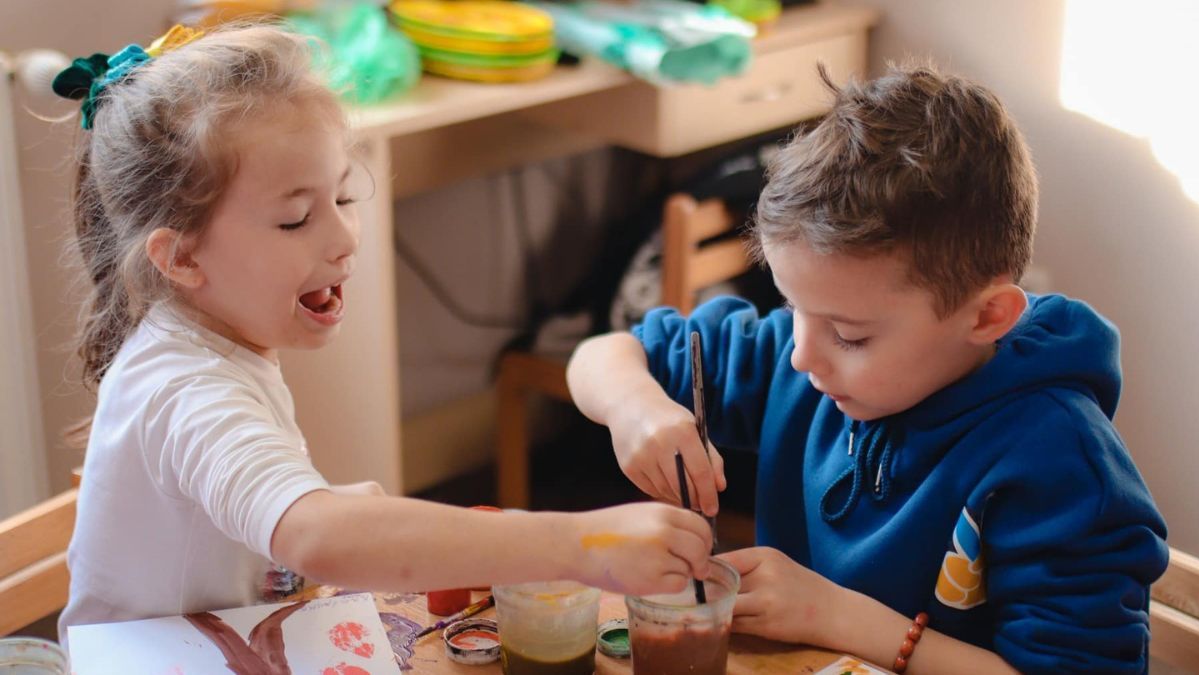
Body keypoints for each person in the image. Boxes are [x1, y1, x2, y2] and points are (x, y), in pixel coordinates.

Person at [54, 24, 711, 645]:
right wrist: (579, 546)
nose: (343, 238)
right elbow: (316, 537)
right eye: (295, 219)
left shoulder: (200, 341)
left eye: (342, 199)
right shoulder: (189, 388)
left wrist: (326, 510)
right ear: (181, 258)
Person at [567, 63, 1168, 674]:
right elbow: (603, 355)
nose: (801, 355)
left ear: (987, 317)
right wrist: (634, 408)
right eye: (793, 308)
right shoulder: (803, 362)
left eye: (850, 335)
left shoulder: (1061, 465)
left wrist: (837, 616)